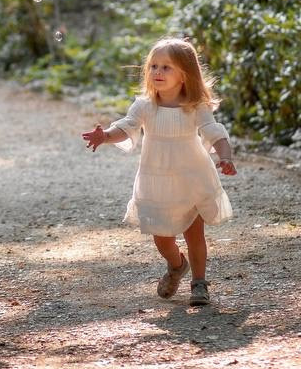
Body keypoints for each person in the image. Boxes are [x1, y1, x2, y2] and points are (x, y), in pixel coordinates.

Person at [82, 36, 236, 306]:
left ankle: (199, 283)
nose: (157, 72)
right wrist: (105, 136)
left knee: (195, 234)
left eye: (166, 67)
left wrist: (225, 157)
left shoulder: (195, 106)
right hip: (158, 181)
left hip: (192, 176)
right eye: (153, 66)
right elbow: (127, 126)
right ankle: (176, 264)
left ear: (184, 75)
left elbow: (214, 132)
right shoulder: (145, 105)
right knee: (162, 238)